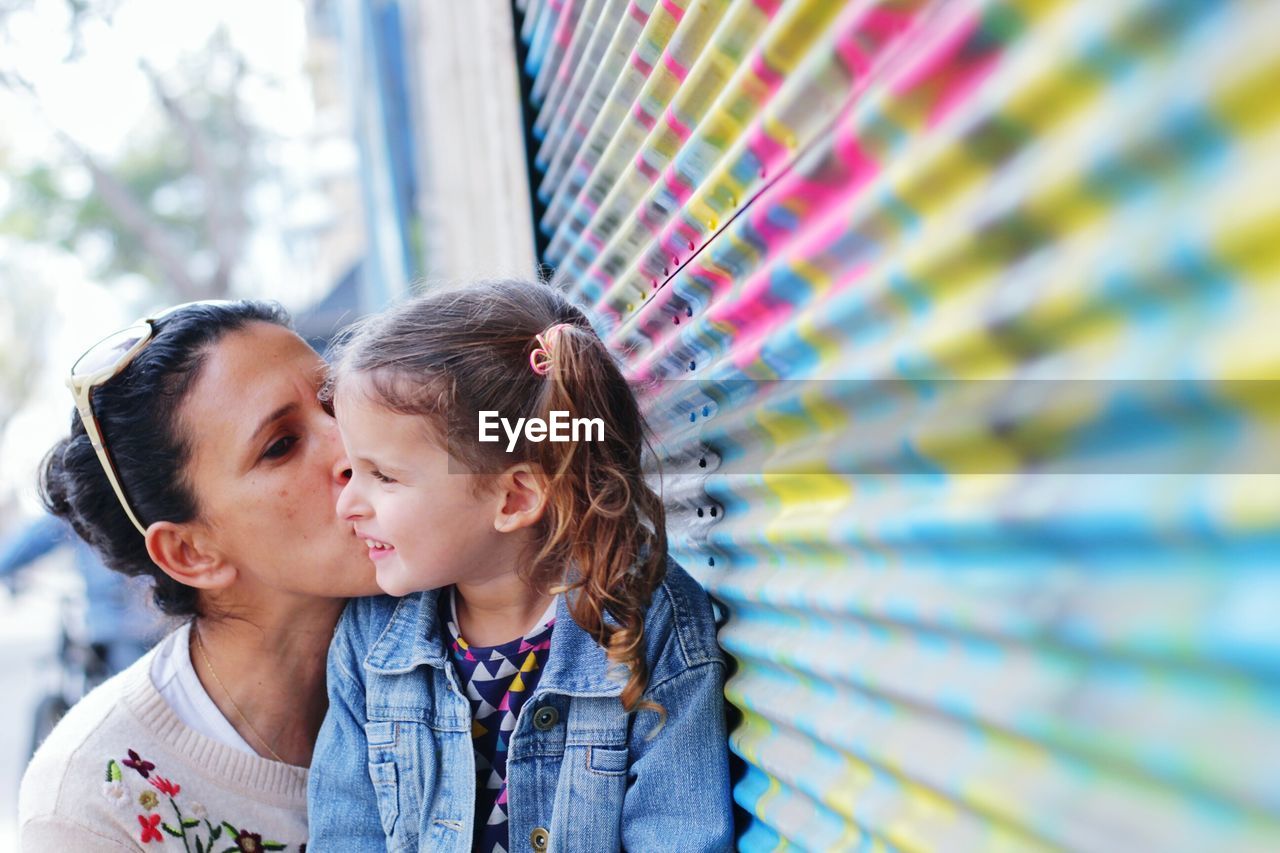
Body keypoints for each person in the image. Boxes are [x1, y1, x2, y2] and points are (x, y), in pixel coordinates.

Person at [308, 279, 733, 851]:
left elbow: (678, 834)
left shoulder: (648, 625)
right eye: (351, 471)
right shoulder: (370, 639)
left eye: (382, 476)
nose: (347, 504)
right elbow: (348, 833)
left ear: (513, 499)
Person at [18, 300, 377, 850]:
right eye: (281, 445)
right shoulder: (93, 801)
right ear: (190, 552)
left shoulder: (469, 616)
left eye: (335, 401)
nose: (353, 443)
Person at [0, 514, 165, 676]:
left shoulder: (80, 503)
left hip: (120, 619)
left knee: (134, 682)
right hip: (158, 610)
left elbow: (32, 541)